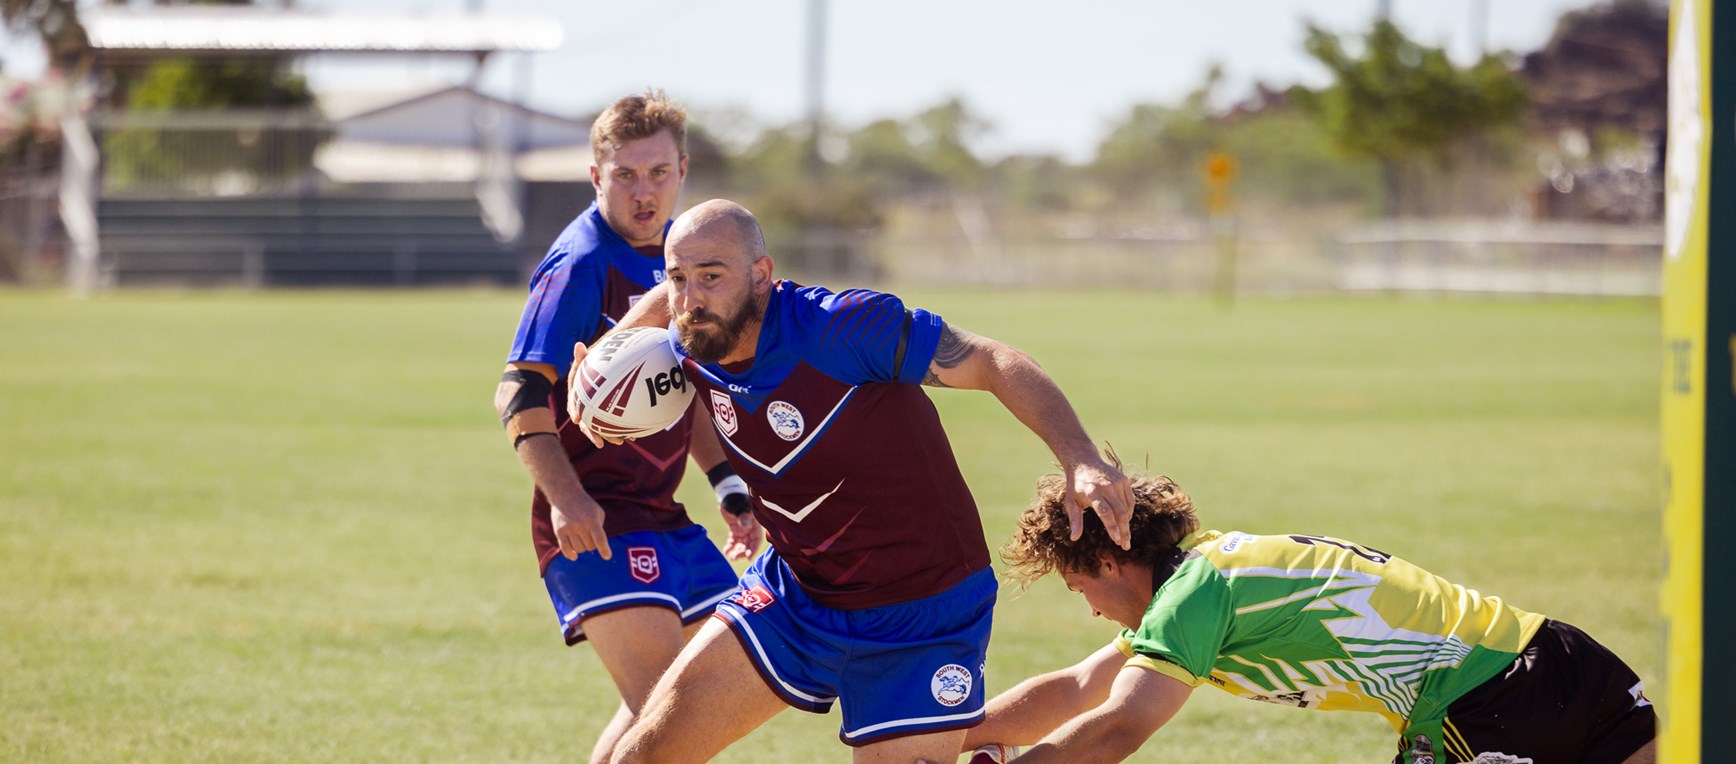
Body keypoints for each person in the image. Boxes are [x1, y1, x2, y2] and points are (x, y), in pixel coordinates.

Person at [563, 199, 1135, 764]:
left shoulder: (840, 327)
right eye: (679, 277)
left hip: (922, 612)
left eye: (712, 276)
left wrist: (1080, 456)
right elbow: (669, 301)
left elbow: (989, 359)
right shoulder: (690, 331)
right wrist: (608, 360)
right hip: (797, 593)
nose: (691, 299)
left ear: (762, 275)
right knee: (642, 756)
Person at [962, 471, 1658, 764]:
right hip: (1567, 657)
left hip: (1488, 702)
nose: (1086, 606)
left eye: (1079, 583)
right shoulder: (1208, 573)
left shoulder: (1193, 597)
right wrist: (955, 735)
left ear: (1112, 562)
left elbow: (1118, 725)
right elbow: (1082, 688)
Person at [491, 91, 762, 764]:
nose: (644, 192)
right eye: (626, 175)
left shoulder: (677, 259)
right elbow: (517, 391)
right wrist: (567, 498)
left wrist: (728, 483)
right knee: (675, 715)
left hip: (662, 514)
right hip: (598, 517)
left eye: (659, 173)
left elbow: (679, 388)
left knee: (728, 680)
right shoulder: (582, 263)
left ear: (683, 170)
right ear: (596, 177)